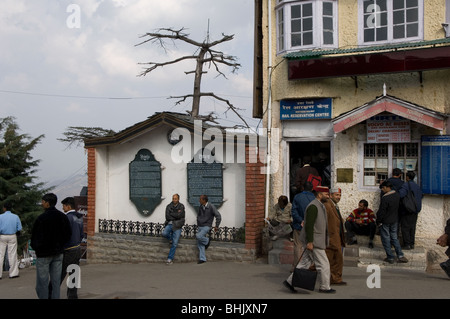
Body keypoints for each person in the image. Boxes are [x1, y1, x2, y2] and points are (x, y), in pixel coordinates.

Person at [283, 186, 336, 294]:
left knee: (305, 263)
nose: (328, 196)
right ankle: (325, 287)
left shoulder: (319, 205)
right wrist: (310, 242)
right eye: (326, 194)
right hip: (315, 241)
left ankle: (290, 281)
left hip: (316, 240)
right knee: (324, 264)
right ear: (320, 195)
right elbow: (309, 226)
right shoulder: (313, 206)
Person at [31, 193, 72, 299]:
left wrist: (37, 248)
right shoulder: (63, 217)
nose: (42, 204)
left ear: (47, 203)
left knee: (42, 284)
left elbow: (35, 237)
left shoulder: (41, 218)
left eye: (43, 202)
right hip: (58, 253)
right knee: (55, 282)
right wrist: (60, 245)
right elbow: (68, 234)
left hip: (44, 254)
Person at [377, 181, 408, 264]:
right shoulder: (397, 195)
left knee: (386, 238)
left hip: (385, 221)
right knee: (394, 237)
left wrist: (378, 220)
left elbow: (382, 211)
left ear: (387, 187)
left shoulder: (385, 198)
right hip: (394, 220)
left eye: (383, 188)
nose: (383, 190)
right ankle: (400, 255)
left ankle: (390, 257)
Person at [59, 197, 84, 299]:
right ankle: (73, 296)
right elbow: (82, 234)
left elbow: (63, 234)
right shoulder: (79, 217)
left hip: (68, 249)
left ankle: (51, 293)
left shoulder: (66, 218)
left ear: (68, 206)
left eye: (64, 206)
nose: (63, 208)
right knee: (74, 273)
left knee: (60, 273)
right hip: (77, 248)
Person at [290, 182, 315, 271]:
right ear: (312, 189)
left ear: (303, 188)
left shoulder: (297, 197)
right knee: (311, 246)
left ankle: (296, 267)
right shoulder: (315, 198)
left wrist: (301, 220)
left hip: (299, 226)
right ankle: (310, 266)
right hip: (312, 227)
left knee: (298, 246)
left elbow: (294, 211)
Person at [324, 188, 346, 285]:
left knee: (332, 259)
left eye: (340, 195)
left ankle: (334, 278)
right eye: (336, 195)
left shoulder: (334, 206)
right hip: (331, 236)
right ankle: (301, 275)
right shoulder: (327, 205)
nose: (339, 197)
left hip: (337, 236)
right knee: (335, 259)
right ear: (331, 195)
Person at [398, 171, 422, 250]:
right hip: (415, 210)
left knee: (405, 227)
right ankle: (412, 243)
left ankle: (407, 244)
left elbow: (401, 195)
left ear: (407, 177)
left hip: (407, 210)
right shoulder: (417, 186)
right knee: (412, 227)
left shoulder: (406, 185)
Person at [196, 195, 221, 264]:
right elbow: (198, 216)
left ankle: (207, 240)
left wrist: (217, 226)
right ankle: (202, 258)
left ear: (204, 200)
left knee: (198, 236)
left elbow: (218, 216)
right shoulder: (201, 206)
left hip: (207, 225)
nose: (199, 200)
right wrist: (198, 221)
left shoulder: (211, 207)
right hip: (200, 225)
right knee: (200, 244)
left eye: (200, 199)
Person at [0, 202, 22, 279]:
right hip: (12, 236)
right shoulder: (15, 217)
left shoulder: (0, 217)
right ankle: (13, 273)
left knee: (0, 254)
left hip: (2, 236)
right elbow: (19, 228)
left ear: (4, 208)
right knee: (12, 254)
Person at [162, 194, 185, 265]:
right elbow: (167, 217)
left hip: (177, 225)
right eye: (173, 198)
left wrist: (173, 214)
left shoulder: (181, 206)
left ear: (178, 199)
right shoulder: (169, 206)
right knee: (164, 233)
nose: (174, 200)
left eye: (175, 199)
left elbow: (181, 215)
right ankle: (171, 238)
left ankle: (170, 258)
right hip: (170, 224)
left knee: (174, 244)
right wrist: (176, 216)